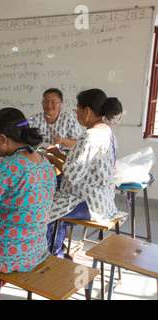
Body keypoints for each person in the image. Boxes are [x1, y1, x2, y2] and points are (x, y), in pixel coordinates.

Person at [0, 107, 56, 298]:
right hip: (36, 249)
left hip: (4, 254)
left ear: (3, 139)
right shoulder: (44, 162)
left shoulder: (6, 167)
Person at [45, 88, 126, 258]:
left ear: (87, 111)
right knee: (53, 191)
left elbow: (72, 174)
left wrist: (52, 160)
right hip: (102, 197)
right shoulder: (106, 131)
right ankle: (57, 247)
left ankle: (53, 255)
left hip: (89, 202)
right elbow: (84, 164)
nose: (76, 113)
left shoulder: (90, 136)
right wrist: (59, 154)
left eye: (78, 109)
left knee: (43, 208)